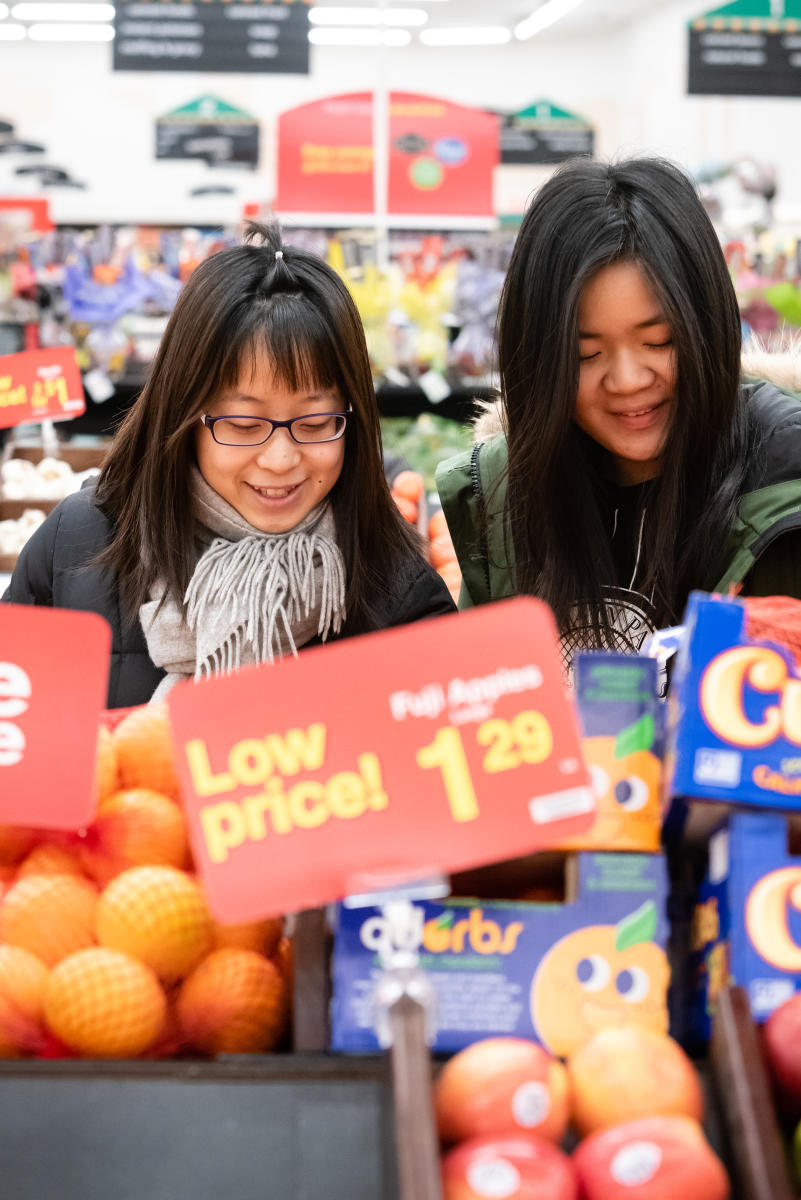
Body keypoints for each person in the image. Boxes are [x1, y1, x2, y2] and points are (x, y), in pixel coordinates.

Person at [4, 224, 455, 706]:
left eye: (316, 421)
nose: (280, 459)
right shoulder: (78, 545)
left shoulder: (398, 587)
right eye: (242, 424)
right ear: (182, 415)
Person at [436, 156, 801, 669]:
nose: (627, 380)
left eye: (660, 341)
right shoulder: (506, 495)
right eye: (585, 355)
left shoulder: (788, 485)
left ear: (710, 326)